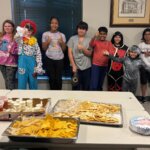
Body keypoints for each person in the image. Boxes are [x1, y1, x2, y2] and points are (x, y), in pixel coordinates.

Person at [15, 19, 44, 89]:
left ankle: (34, 98)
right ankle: (21, 99)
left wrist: (38, 66)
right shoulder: (20, 39)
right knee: (21, 84)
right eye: (26, 29)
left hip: (32, 65)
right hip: (22, 65)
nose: (28, 31)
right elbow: (16, 37)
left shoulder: (34, 41)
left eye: (30, 30)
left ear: (33, 31)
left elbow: (38, 54)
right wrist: (22, 31)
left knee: (33, 83)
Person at [42, 17, 66, 90]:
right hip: (49, 59)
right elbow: (44, 48)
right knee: (51, 79)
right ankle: (53, 95)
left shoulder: (62, 35)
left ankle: (59, 95)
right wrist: (48, 42)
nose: (54, 25)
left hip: (60, 59)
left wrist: (62, 43)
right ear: (50, 24)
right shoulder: (45, 34)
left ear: (58, 25)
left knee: (59, 79)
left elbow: (64, 49)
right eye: (52, 23)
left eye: (56, 23)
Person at [67, 21, 92, 90]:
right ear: (77, 29)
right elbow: (70, 53)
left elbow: (90, 54)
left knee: (86, 87)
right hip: (75, 67)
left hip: (86, 67)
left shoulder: (90, 40)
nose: (81, 30)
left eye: (83, 29)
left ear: (86, 30)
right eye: (79, 28)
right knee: (75, 86)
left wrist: (83, 48)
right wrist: (73, 65)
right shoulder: (72, 39)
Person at [90, 26, 114, 91]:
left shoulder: (109, 43)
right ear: (98, 34)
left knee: (100, 83)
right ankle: (93, 96)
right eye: (101, 33)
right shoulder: (96, 41)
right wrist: (94, 36)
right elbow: (91, 44)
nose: (102, 35)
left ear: (106, 34)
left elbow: (112, 52)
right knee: (94, 84)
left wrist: (108, 53)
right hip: (95, 65)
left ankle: (99, 97)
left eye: (104, 34)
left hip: (104, 66)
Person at [0, 20, 18, 89]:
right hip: (1, 63)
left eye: (9, 26)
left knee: (10, 82)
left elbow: (19, 51)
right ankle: (8, 97)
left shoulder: (16, 37)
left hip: (11, 63)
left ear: (13, 27)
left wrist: (12, 50)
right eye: (5, 26)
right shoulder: (1, 36)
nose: (7, 27)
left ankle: (13, 97)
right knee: (7, 81)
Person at [138, 28, 150, 102]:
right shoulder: (140, 45)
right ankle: (143, 96)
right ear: (143, 35)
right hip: (143, 66)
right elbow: (138, 55)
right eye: (145, 34)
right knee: (143, 82)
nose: (147, 36)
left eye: (149, 34)